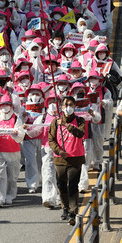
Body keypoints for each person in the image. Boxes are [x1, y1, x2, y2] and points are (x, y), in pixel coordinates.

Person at [48, 95, 86, 225]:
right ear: (62, 107)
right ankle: (65, 208)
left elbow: (80, 134)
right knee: (61, 185)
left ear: (75, 107)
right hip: (60, 160)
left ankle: (73, 211)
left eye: (71, 105)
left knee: (73, 185)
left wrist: (66, 125)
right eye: (66, 105)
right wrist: (59, 151)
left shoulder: (80, 120)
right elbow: (51, 140)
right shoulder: (55, 122)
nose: (68, 107)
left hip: (75, 158)